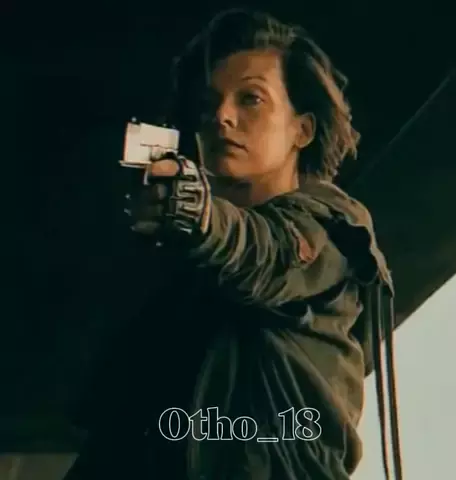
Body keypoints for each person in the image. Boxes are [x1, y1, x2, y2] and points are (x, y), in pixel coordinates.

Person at [66, 8, 402, 480]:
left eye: (251, 99)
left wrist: (196, 214)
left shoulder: (331, 227)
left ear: (302, 130)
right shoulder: (184, 274)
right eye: (209, 104)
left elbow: (266, 254)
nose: (222, 116)